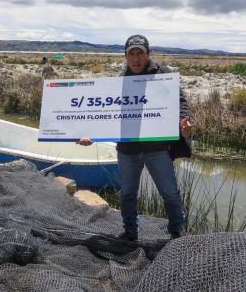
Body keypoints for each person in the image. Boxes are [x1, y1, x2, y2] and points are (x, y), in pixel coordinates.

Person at [77, 34, 192, 241]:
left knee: (170, 193)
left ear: (148, 54)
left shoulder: (163, 76)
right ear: (126, 57)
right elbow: (105, 115)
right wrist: (90, 135)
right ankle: (130, 232)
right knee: (128, 193)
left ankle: (177, 231)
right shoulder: (119, 82)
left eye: (140, 53)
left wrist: (183, 122)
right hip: (128, 151)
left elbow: (180, 102)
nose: (136, 58)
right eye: (132, 54)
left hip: (157, 148)